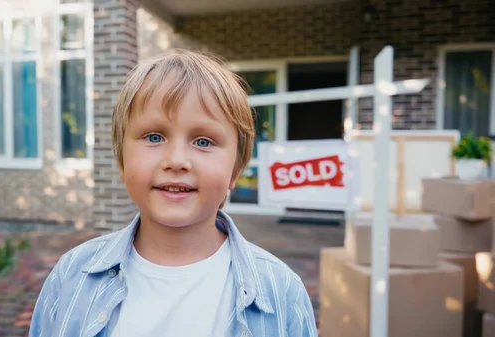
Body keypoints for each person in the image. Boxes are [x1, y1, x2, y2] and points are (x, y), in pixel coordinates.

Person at [28, 49, 318, 337]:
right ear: (122, 161)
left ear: (235, 170)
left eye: (204, 141)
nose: (177, 160)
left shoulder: (282, 292)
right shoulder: (71, 276)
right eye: (154, 137)